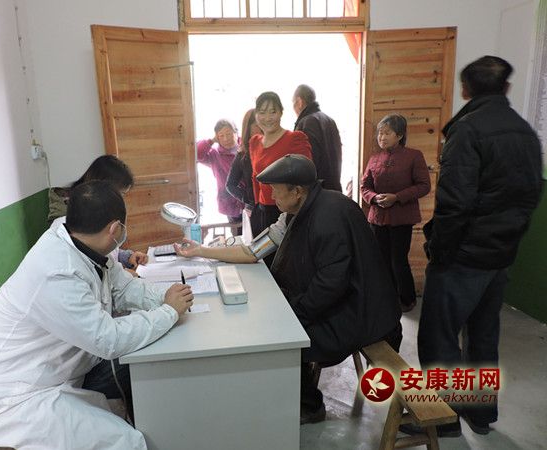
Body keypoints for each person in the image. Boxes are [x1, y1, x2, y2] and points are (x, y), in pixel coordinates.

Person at [0, 181, 194, 450]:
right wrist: (168, 312)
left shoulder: (81, 241)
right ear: (115, 229)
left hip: (53, 374)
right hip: (10, 402)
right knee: (126, 442)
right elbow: (109, 340)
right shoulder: (56, 271)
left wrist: (166, 296)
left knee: (127, 398)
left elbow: (124, 287)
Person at [175, 154, 402, 425]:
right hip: (347, 301)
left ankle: (309, 406)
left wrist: (294, 315)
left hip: (363, 313)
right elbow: (252, 251)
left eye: (275, 190)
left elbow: (331, 284)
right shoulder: (296, 214)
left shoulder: (328, 218)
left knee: (284, 340)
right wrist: (200, 250)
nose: (271, 196)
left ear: (297, 191)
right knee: (277, 323)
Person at [404, 56, 543, 438]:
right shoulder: (525, 132)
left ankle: (443, 419)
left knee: (439, 338)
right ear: (506, 88)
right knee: (483, 335)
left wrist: (440, 250)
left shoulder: (467, 131)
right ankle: (480, 414)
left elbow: (455, 205)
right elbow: (531, 196)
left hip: (462, 257)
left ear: (465, 89)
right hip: (499, 257)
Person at [361, 114, 431, 312]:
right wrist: (374, 197)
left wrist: (397, 197)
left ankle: (407, 299)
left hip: (402, 218)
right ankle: (387, 298)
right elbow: (364, 186)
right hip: (377, 218)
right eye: (380, 133)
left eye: (387, 133)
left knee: (398, 260)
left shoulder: (413, 156)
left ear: (399, 135)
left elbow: (424, 186)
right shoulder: (374, 158)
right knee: (381, 260)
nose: (381, 137)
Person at [48, 155, 147, 273]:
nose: (120, 201)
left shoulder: (96, 212)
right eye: (120, 194)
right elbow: (90, 266)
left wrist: (127, 257)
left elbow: (103, 251)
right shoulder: (67, 225)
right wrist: (122, 275)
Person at [249, 91, 312, 237]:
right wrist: (257, 205)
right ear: (256, 115)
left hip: (287, 210)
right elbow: (255, 177)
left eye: (273, 112)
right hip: (262, 210)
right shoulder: (254, 142)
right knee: (261, 250)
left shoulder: (295, 138)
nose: (267, 118)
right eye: (262, 112)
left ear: (281, 113)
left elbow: (307, 179)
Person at [196, 119, 245, 235]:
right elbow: (197, 154)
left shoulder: (246, 148)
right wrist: (211, 141)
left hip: (251, 200)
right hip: (230, 203)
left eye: (229, 134)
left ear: (236, 132)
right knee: (238, 235)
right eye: (221, 136)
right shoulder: (215, 154)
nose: (226, 139)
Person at [293, 84, 343, 192]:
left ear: (299, 102)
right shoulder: (329, 120)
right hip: (333, 188)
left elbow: (307, 163)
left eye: (293, 103)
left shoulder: (306, 123)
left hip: (317, 192)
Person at [225, 108, 263, 242]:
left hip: (276, 208)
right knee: (256, 245)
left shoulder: (273, 148)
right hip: (254, 210)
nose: (261, 126)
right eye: (256, 124)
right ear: (248, 127)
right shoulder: (243, 154)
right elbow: (230, 185)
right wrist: (248, 197)